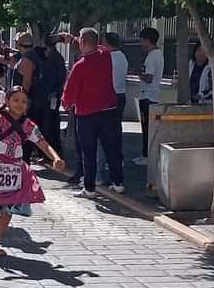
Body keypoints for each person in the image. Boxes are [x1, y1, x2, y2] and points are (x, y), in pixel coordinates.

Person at [0, 86, 65, 256]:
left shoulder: (28, 125)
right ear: (8, 101)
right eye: (16, 100)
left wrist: (55, 157)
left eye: (24, 101)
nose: (20, 104)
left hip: (15, 170)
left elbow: (42, 143)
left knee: (8, 209)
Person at [61, 28, 124, 198]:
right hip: (109, 110)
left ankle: (89, 188)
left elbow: (70, 91)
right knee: (112, 148)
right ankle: (118, 183)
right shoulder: (106, 56)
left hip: (87, 114)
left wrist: (65, 104)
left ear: (82, 42)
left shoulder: (80, 66)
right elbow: (95, 45)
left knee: (88, 151)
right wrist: (76, 39)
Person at [95, 32, 129, 185]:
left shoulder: (108, 58)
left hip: (109, 97)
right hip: (121, 95)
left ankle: (101, 171)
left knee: (104, 135)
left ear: (106, 43)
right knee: (116, 130)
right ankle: (117, 160)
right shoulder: (122, 56)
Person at [10, 32, 45, 164]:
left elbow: (26, 83)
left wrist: (21, 104)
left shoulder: (27, 59)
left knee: (24, 136)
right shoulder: (33, 56)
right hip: (31, 102)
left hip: (28, 104)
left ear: (19, 44)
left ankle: (23, 163)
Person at [133, 27, 164, 166]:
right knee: (146, 127)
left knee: (147, 127)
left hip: (148, 96)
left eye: (142, 40)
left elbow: (149, 78)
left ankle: (147, 155)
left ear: (147, 40)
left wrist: (138, 73)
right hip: (151, 95)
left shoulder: (152, 56)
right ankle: (145, 153)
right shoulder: (158, 54)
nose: (141, 44)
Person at [40, 37, 67, 155]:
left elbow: (59, 78)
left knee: (50, 122)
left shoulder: (55, 58)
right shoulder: (53, 57)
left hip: (52, 95)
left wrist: (55, 91)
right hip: (50, 94)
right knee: (49, 121)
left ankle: (53, 150)